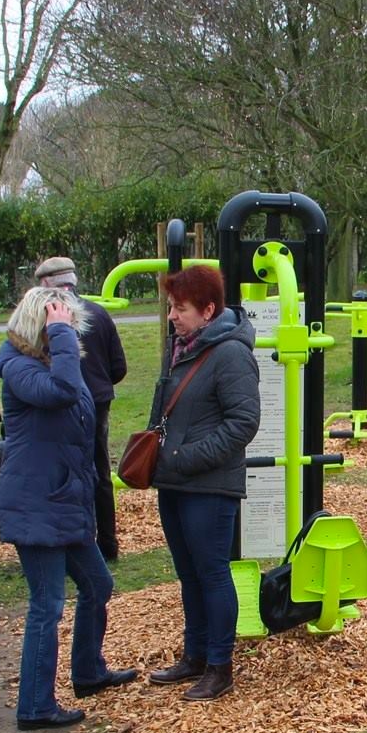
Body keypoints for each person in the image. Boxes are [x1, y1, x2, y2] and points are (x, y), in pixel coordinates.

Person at [0, 287, 138, 730]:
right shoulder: (18, 368)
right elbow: (61, 393)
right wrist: (59, 336)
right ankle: (35, 706)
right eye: (63, 322)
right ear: (43, 326)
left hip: (64, 502)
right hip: (36, 504)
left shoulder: (54, 362)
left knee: (98, 584)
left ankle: (88, 671)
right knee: (47, 604)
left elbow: (80, 403)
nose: (73, 330)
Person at [144, 264, 260, 701]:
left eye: (180, 308)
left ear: (208, 309)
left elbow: (244, 422)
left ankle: (219, 665)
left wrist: (184, 457)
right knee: (188, 573)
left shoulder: (230, 354)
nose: (172, 316)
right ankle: (193, 656)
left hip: (209, 485)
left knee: (211, 574)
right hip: (174, 481)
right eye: (171, 307)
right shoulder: (181, 347)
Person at [34, 256, 128, 563]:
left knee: (63, 472)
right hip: (98, 402)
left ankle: (71, 542)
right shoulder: (99, 314)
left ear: (46, 284)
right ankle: (108, 543)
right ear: (73, 282)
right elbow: (119, 367)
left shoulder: (41, 319)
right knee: (99, 471)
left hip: (59, 403)